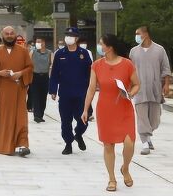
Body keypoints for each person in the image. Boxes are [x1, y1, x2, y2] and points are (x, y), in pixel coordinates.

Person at [82, 34, 140, 192]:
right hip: (105, 108)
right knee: (108, 145)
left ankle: (125, 168)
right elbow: (91, 88)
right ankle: (112, 179)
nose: (99, 47)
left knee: (129, 142)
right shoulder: (96, 65)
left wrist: (130, 94)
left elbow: (136, 84)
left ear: (110, 46)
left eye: (101, 44)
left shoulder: (127, 64)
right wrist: (85, 109)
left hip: (124, 107)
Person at [0, 26, 33, 157]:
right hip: (4, 90)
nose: (9, 35)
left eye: (11, 33)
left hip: (19, 89)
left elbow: (30, 68)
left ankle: (23, 144)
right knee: (6, 118)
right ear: (2, 35)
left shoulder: (23, 51)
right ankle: (5, 146)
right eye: (6, 33)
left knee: (21, 118)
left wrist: (20, 74)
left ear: (16, 35)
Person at [49, 27, 92, 155]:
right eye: (67, 35)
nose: (68, 37)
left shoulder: (84, 54)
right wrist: (53, 90)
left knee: (83, 119)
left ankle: (78, 134)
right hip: (65, 93)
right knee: (65, 120)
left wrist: (93, 87)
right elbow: (55, 73)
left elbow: (91, 73)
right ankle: (68, 143)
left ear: (77, 38)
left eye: (71, 35)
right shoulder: (59, 54)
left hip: (81, 93)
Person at [129, 26, 171, 155]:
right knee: (142, 117)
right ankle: (145, 142)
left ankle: (148, 135)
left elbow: (165, 68)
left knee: (154, 120)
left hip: (155, 89)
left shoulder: (159, 50)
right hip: (139, 90)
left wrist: (166, 84)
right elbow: (129, 70)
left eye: (138, 33)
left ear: (146, 34)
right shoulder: (133, 51)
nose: (136, 36)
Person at [29, 37, 52, 123]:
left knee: (43, 97)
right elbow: (28, 64)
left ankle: (40, 115)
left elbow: (52, 65)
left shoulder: (49, 53)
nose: (37, 43)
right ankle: (36, 115)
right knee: (35, 96)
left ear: (44, 43)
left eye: (39, 42)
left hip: (45, 77)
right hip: (35, 76)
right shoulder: (32, 52)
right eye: (36, 42)